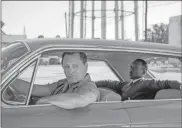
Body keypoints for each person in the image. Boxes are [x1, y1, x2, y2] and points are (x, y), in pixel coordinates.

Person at [11, 52, 100, 109]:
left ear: (86, 67)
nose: (70, 70)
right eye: (67, 66)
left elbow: (81, 99)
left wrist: (42, 101)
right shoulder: (63, 83)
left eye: (75, 66)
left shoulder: (89, 87)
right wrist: (9, 81)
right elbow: (34, 89)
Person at [96, 59, 182, 101]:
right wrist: (89, 83)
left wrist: (180, 86)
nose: (130, 70)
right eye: (131, 67)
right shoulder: (125, 84)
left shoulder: (147, 83)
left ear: (144, 71)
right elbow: (108, 83)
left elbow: (167, 83)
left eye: (134, 68)